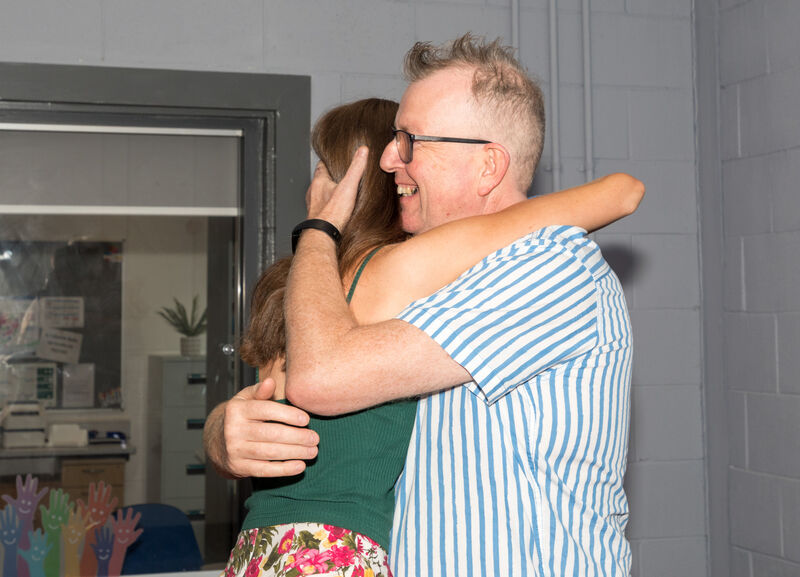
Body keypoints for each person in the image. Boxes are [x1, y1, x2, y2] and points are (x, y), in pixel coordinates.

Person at [205, 40, 643, 575]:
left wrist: (319, 229)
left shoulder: (550, 267)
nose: (392, 159)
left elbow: (322, 378)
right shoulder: (435, 280)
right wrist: (227, 430)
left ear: (488, 166)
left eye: (411, 141)